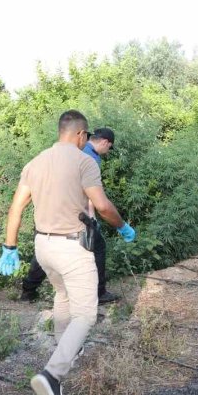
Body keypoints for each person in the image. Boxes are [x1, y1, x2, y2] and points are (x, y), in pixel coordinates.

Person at [0, 110, 136, 395]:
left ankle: (65, 348)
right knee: (86, 314)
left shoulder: (34, 163)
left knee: (62, 295)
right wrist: (122, 226)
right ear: (79, 135)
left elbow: (15, 208)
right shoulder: (84, 160)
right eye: (85, 137)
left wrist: (10, 247)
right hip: (72, 247)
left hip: (42, 246)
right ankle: (52, 374)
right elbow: (101, 206)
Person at [21, 127, 118, 304]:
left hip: (50, 210)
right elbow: (89, 193)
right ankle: (98, 292)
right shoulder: (89, 158)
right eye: (109, 148)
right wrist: (93, 217)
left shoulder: (66, 153)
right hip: (75, 215)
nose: (107, 152)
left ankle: (28, 289)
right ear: (105, 142)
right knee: (97, 247)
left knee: (47, 247)